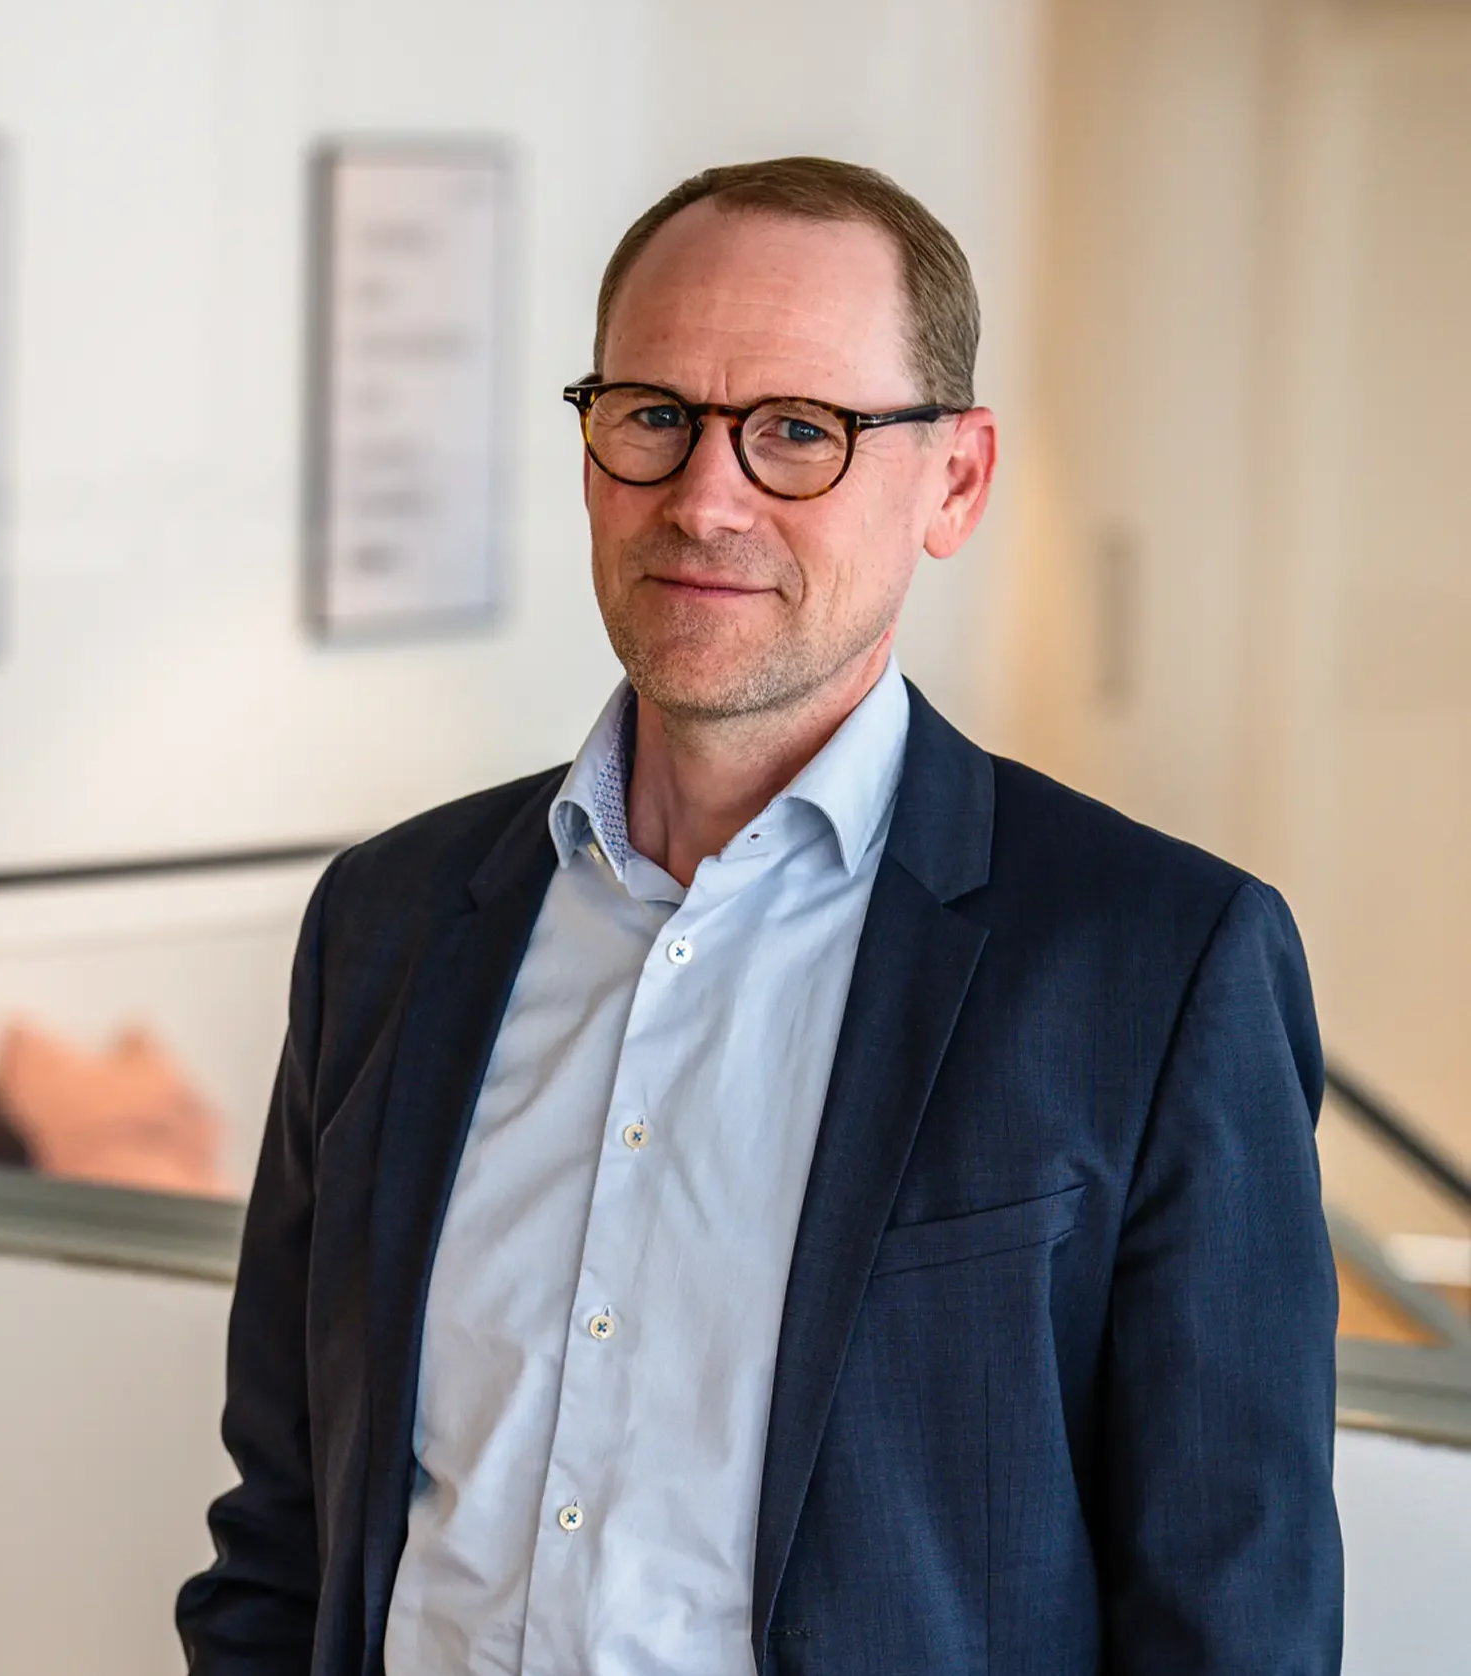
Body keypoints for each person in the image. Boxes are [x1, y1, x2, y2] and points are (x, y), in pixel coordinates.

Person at [176, 156, 1342, 1676]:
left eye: (800, 430)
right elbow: (285, 1532)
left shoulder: (1161, 967)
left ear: (956, 481)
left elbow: (1233, 1621)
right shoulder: (385, 924)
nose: (705, 498)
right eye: (654, 415)